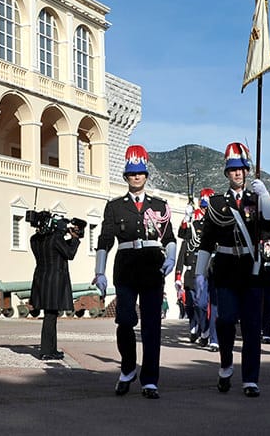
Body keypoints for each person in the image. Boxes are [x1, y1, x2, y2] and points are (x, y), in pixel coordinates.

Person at [93, 145, 176, 399]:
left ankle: (150, 380)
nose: (136, 177)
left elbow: (170, 236)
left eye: (140, 173)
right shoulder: (115, 207)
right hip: (127, 267)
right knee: (125, 321)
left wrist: (171, 255)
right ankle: (128, 367)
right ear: (126, 177)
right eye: (132, 174)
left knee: (152, 325)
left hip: (152, 266)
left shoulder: (160, 205)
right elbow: (105, 239)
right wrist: (99, 271)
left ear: (146, 175)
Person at [194, 142, 270, 398]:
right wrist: (198, 273)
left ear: (246, 171)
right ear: (226, 173)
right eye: (233, 169)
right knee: (226, 320)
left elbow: (269, 227)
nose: (237, 173)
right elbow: (207, 240)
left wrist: (265, 197)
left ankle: (250, 378)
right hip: (227, 269)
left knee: (251, 326)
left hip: (251, 270)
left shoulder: (255, 199)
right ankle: (226, 363)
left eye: (241, 169)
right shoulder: (217, 204)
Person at [30, 214, 81, 360]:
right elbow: (69, 254)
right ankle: (47, 351)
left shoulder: (34, 239)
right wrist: (74, 239)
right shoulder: (55, 239)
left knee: (50, 315)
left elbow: (55, 249)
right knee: (50, 316)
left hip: (41, 278)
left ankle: (51, 349)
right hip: (54, 280)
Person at [177, 189, 212, 345]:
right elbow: (183, 237)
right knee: (191, 304)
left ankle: (204, 329)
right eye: (203, 208)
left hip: (207, 270)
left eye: (207, 208)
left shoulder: (214, 225)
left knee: (204, 304)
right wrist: (187, 217)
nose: (205, 211)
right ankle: (195, 325)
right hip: (192, 270)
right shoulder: (194, 225)